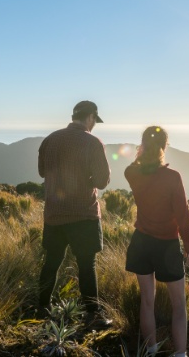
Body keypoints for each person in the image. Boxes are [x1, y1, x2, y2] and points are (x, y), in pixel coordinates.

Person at [38, 100, 110, 323]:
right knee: (87, 264)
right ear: (90, 118)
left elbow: (42, 172)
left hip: (54, 212)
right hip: (83, 213)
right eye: (94, 121)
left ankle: (42, 308)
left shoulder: (50, 139)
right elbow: (102, 180)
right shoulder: (92, 142)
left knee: (52, 261)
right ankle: (92, 313)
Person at [125, 126, 189, 357]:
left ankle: (151, 350)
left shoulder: (131, 173)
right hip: (167, 245)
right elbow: (183, 215)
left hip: (141, 243)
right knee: (178, 305)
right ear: (164, 147)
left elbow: (136, 166)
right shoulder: (173, 177)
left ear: (142, 145)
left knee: (147, 301)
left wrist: (141, 154)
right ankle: (180, 353)